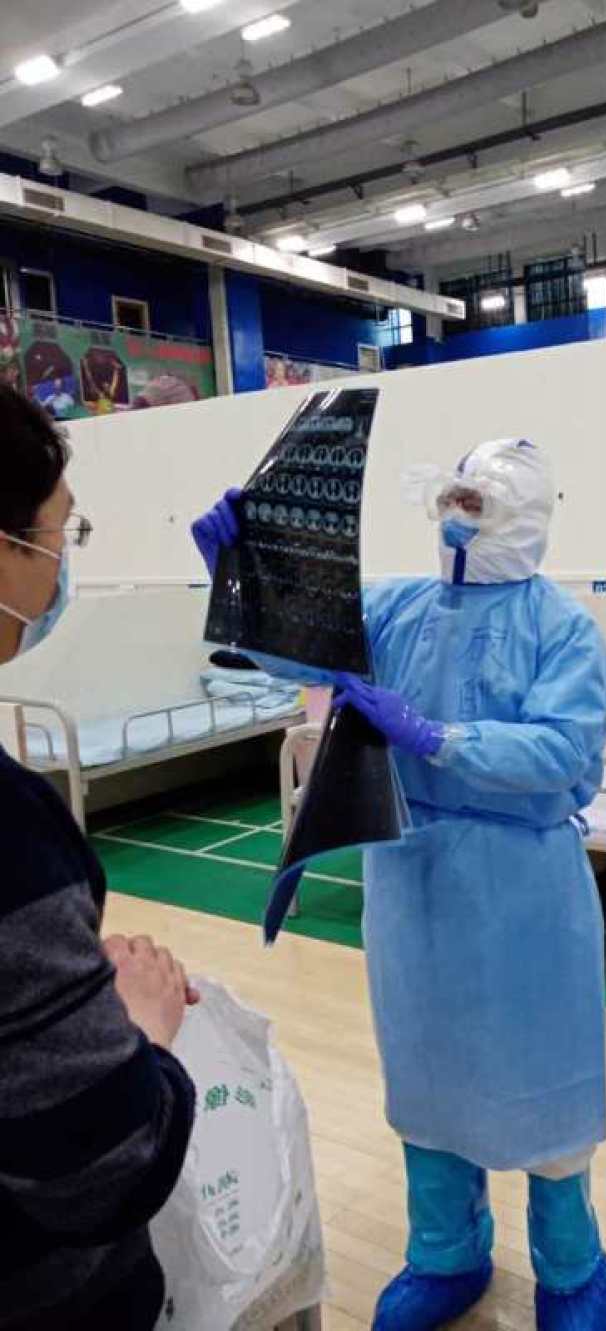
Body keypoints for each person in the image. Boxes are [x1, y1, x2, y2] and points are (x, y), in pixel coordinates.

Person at [193, 438, 606, 1331]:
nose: (454, 518)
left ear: (521, 515)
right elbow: (304, 650)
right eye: (449, 499)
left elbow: (563, 750)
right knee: (426, 1075)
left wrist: (437, 736)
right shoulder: (399, 606)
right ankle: (446, 1252)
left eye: (474, 504)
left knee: (543, 1080)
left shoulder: (562, 628)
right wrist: (240, 574)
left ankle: (573, 1268)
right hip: (412, 876)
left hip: (523, 886)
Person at [0, 386, 197, 1330]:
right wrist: (140, 1026)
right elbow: (105, 1164)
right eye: (60, 530)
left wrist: (60, 993)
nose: (61, 561)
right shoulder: (13, 832)